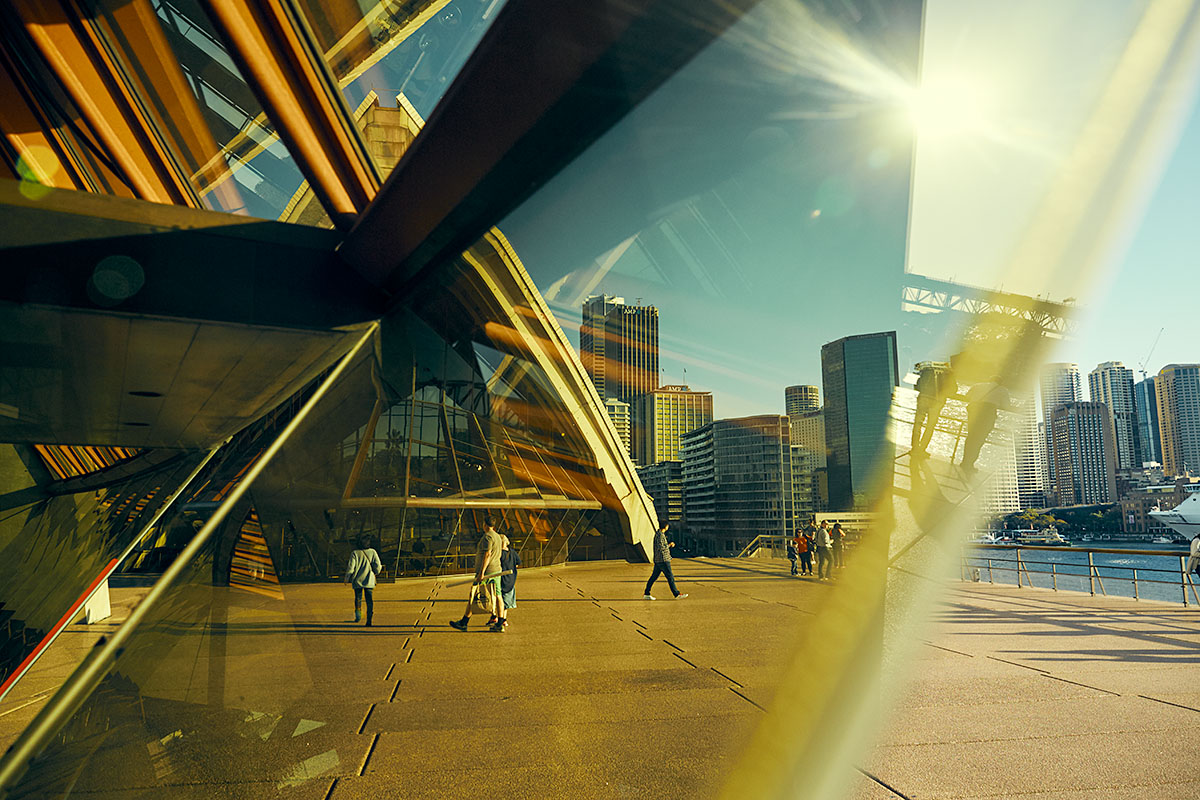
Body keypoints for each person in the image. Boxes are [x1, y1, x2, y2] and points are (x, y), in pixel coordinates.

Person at [450, 515, 505, 632]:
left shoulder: (487, 537)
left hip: (487, 572)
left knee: (473, 594)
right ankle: (500, 622)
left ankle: (464, 622)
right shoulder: (498, 537)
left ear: (484, 524)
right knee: (498, 595)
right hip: (497, 570)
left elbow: (487, 554)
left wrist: (481, 573)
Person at [961, 377, 1012, 475]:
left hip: (974, 411)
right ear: (1001, 382)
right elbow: (1006, 406)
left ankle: (964, 462)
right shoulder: (1002, 390)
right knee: (980, 440)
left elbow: (967, 396)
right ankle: (970, 464)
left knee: (970, 437)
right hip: (988, 414)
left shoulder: (978, 385)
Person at [911, 363, 955, 459]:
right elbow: (953, 390)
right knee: (930, 426)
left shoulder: (927, 369)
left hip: (923, 398)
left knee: (918, 424)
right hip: (937, 401)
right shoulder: (948, 372)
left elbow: (917, 386)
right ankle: (922, 450)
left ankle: (914, 449)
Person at [643, 523, 687, 600]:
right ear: (665, 526)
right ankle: (676, 594)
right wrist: (670, 545)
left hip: (659, 560)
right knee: (670, 577)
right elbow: (661, 547)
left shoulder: (659, 534)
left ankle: (647, 593)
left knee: (653, 577)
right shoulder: (660, 535)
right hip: (663, 559)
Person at [345, 536, 382, 626]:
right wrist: (376, 572)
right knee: (369, 600)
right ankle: (369, 619)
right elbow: (378, 566)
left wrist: (347, 577)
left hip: (357, 580)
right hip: (369, 580)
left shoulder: (355, 553)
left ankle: (358, 615)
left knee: (358, 598)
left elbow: (351, 567)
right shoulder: (373, 552)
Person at [496, 534, 521, 630]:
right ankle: (504, 619)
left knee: (498, 600)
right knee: (505, 602)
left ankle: (497, 618)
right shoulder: (513, 552)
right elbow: (518, 563)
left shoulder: (498, 554)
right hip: (510, 580)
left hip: (500, 579)